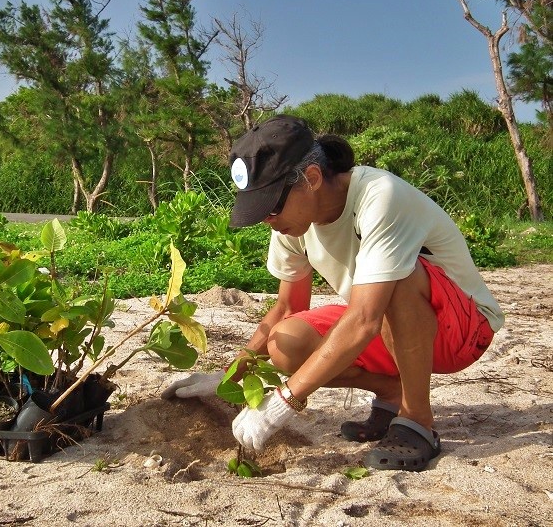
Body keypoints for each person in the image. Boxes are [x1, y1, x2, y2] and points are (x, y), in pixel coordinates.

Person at [162, 114, 504, 472]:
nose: (268, 219)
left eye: (272, 206)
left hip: (463, 330)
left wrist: (283, 402)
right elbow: (286, 309)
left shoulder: (379, 197)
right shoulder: (291, 227)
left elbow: (364, 319)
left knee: (395, 280)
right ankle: (392, 391)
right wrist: (227, 376)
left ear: (311, 179)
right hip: (391, 331)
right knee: (284, 342)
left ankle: (418, 420)